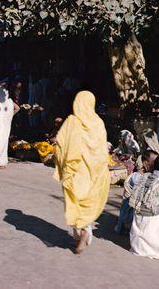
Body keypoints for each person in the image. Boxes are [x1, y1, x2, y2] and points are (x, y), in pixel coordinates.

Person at [53, 91, 110, 254]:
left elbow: (61, 143)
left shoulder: (72, 121)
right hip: (93, 172)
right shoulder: (98, 123)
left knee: (73, 202)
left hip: (75, 171)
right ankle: (83, 233)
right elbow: (102, 151)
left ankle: (80, 233)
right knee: (86, 203)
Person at [115, 149, 159, 235]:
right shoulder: (137, 178)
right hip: (129, 215)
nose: (157, 165)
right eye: (154, 162)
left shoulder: (149, 177)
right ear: (146, 164)